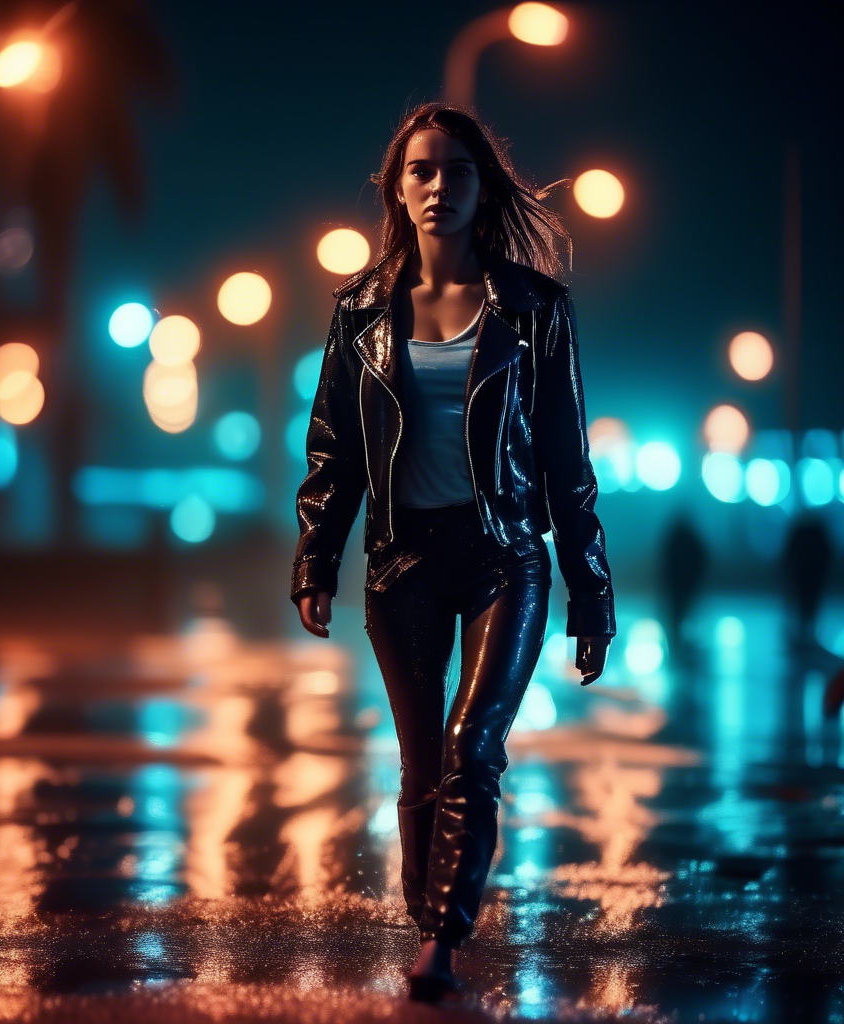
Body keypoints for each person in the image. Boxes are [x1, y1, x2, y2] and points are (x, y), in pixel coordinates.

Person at [290, 102, 616, 1003]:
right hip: (401, 565)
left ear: (483, 188)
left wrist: (590, 590)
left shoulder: (535, 309)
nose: (439, 187)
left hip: (504, 556)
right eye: (422, 171)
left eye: (457, 172)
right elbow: (334, 450)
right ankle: (426, 908)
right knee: (424, 763)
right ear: (398, 189)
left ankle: (441, 939)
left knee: (475, 747)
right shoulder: (359, 311)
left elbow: (566, 456)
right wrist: (317, 556)